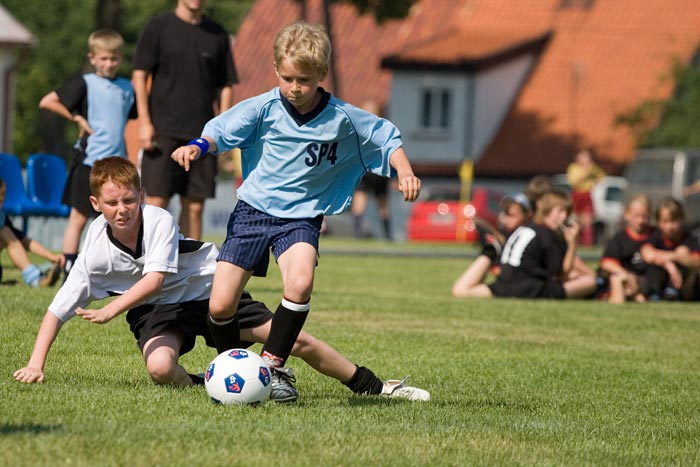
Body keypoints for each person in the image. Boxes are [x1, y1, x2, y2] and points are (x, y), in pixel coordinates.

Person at [13, 157, 429, 403]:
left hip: (212, 293)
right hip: (156, 313)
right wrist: (35, 363)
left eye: (129, 200)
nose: (122, 209)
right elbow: (56, 310)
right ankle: (207, 384)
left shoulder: (157, 218)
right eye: (111, 203)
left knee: (294, 340)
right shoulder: (93, 253)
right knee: (159, 368)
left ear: (141, 197)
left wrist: (110, 309)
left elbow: (156, 277)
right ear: (95, 204)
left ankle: (376, 387)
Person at [171, 21, 421, 402]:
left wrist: (403, 169)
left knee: (300, 283)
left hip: (300, 217)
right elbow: (221, 129)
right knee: (220, 306)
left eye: (303, 80)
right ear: (276, 72)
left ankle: (271, 366)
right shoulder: (264, 108)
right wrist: (198, 146)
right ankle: (232, 370)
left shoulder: (343, 117)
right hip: (253, 212)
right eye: (286, 78)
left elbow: (385, 136)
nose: (294, 88)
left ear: (322, 74)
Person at [132, 0, 238, 240]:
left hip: (201, 135)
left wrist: (222, 132)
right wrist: (144, 122)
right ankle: (148, 264)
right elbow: (139, 75)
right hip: (162, 131)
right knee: (156, 203)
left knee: (194, 206)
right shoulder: (158, 27)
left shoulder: (217, 33)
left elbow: (226, 86)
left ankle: (187, 270)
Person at [39, 29, 136, 282]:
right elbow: (47, 101)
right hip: (89, 162)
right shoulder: (85, 83)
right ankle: (69, 268)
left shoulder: (127, 87)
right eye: (103, 58)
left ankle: (115, 266)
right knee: (78, 217)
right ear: (92, 58)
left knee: (117, 218)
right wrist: (77, 118)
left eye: (114, 58)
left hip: (118, 165)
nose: (109, 64)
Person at [453, 190, 597, 299]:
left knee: (460, 291)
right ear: (546, 211)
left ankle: (490, 252)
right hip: (530, 288)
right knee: (591, 281)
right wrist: (572, 243)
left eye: (566, 213)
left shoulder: (526, 229)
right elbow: (563, 275)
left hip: (503, 285)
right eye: (560, 211)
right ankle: (491, 251)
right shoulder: (547, 235)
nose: (564, 217)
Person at [451, 192, 532, 297]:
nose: (507, 219)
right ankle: (491, 249)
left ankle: (492, 249)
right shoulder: (506, 233)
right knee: (460, 289)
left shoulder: (530, 235)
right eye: (505, 214)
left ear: (528, 215)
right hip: (509, 285)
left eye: (512, 216)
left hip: (518, 285)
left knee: (461, 290)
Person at [0, 179, 62, 287]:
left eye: (2, 197)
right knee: (5, 232)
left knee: (6, 232)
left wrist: (52, 257)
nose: (1, 201)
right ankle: (35, 278)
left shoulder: (2, 218)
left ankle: (37, 278)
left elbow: (23, 240)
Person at [640, 197, 700, 301]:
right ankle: (655, 293)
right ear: (658, 222)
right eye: (665, 221)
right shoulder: (655, 236)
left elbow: (697, 261)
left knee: (684, 256)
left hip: (682, 286)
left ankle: (674, 292)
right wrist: (669, 264)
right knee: (654, 266)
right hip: (657, 282)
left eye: (673, 221)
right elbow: (647, 254)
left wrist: (677, 257)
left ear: (681, 220)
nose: (670, 226)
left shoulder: (688, 238)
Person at [598, 194, 653, 303]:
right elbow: (607, 263)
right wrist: (627, 276)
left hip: (646, 283)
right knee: (617, 278)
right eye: (636, 216)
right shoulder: (619, 239)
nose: (640, 220)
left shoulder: (655, 236)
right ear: (626, 215)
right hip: (624, 279)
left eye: (644, 216)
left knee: (641, 296)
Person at [351, 100, 391, 240]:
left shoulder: (358, 128)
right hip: (374, 170)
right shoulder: (384, 129)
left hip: (371, 170)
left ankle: (358, 232)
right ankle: (386, 235)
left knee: (367, 201)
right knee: (380, 203)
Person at [566, 149, 605, 246]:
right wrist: (586, 172)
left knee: (588, 221)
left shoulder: (593, 168)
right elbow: (574, 182)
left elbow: (602, 177)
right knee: (576, 219)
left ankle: (587, 244)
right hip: (577, 194)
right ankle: (576, 241)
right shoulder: (573, 168)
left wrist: (595, 181)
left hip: (587, 194)